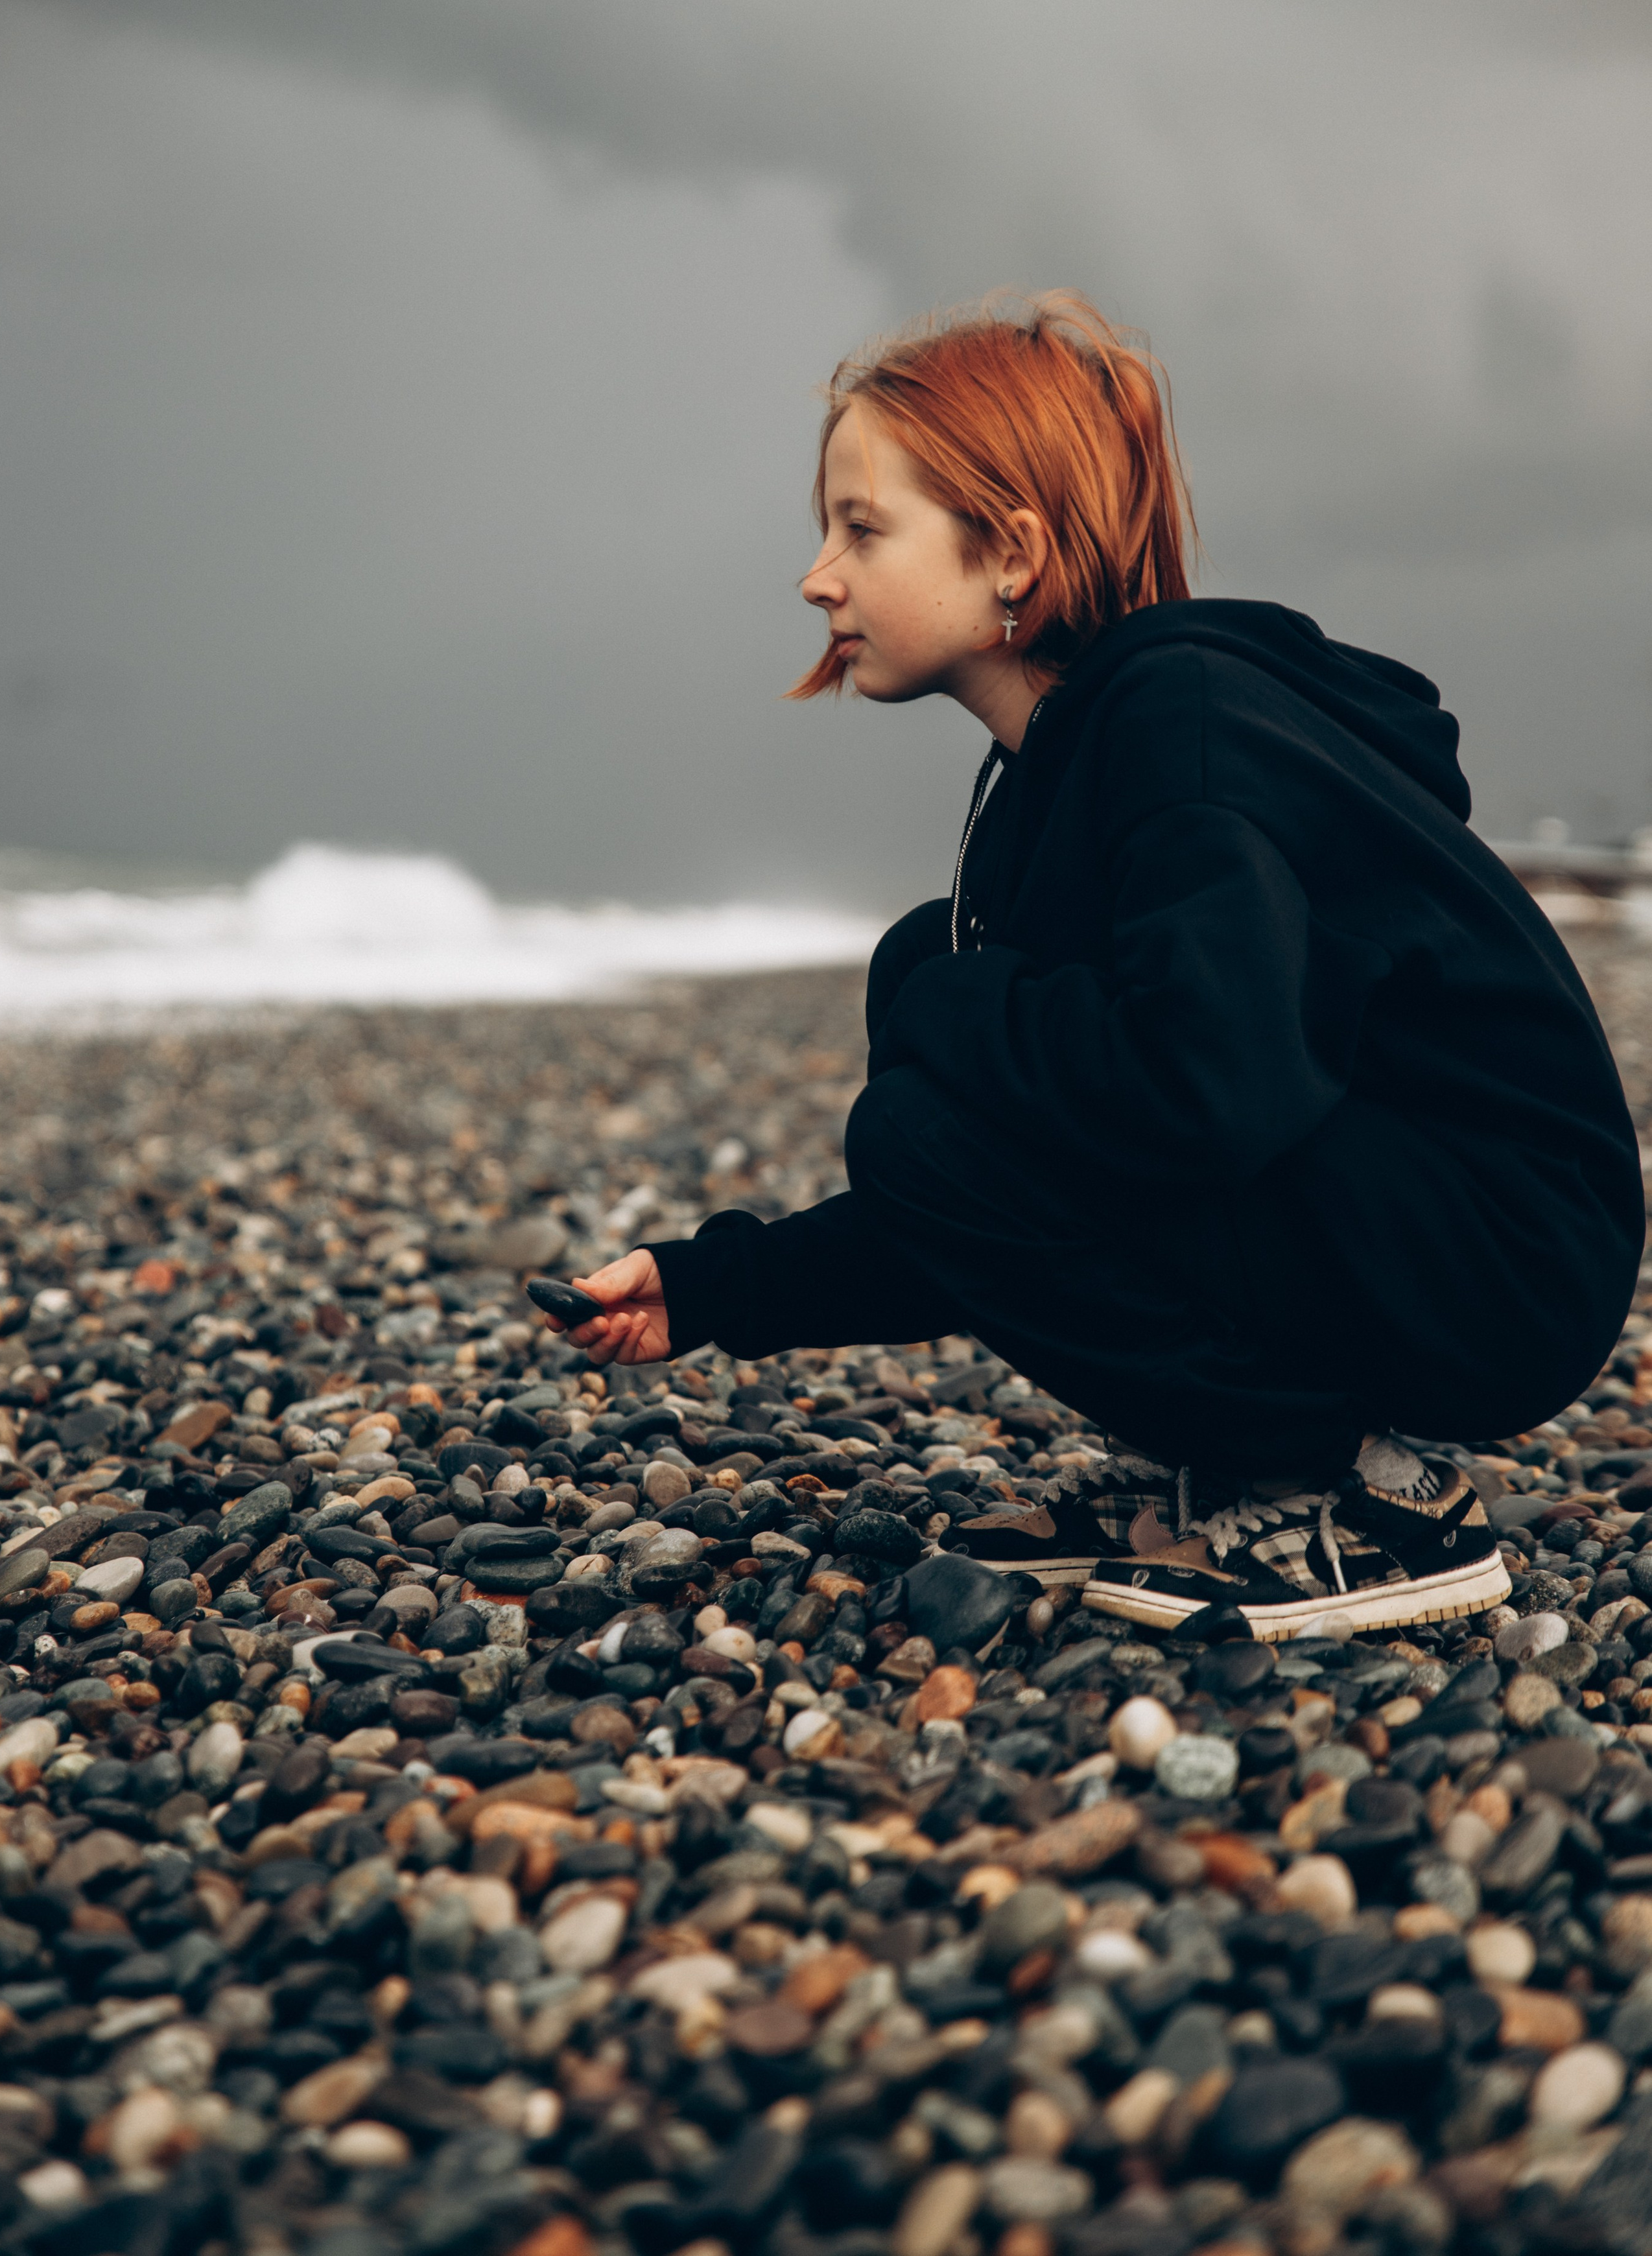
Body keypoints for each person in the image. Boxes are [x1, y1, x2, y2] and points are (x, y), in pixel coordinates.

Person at [537, 293, 1644, 1639]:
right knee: (935, 1064)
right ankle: (1249, 1460)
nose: (816, 577)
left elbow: (1205, 1087)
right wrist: (720, 1289)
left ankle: (1349, 1494)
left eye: (860, 529)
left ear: (1009, 551)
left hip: (1503, 1253)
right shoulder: (1059, 773)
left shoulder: (1179, 730)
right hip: (1414, 1225)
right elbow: (1029, 1182)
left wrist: (935, 999)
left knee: (929, 1034)